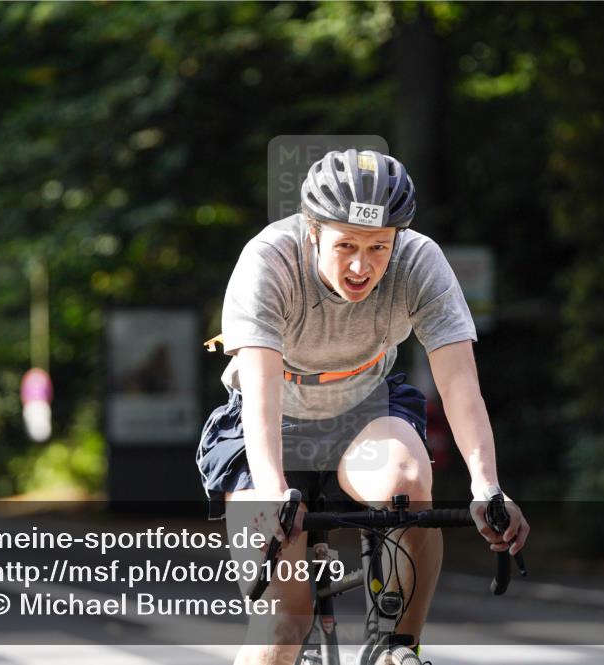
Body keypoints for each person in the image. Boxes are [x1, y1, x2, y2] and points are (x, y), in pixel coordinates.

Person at [196, 148, 529, 664]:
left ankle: (399, 647)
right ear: (313, 231)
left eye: (378, 247)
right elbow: (260, 390)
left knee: (407, 485)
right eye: (345, 244)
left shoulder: (420, 261)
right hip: (269, 421)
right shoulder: (268, 260)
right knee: (283, 625)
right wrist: (271, 490)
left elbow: (460, 382)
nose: (361, 265)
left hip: (364, 410)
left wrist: (487, 485)